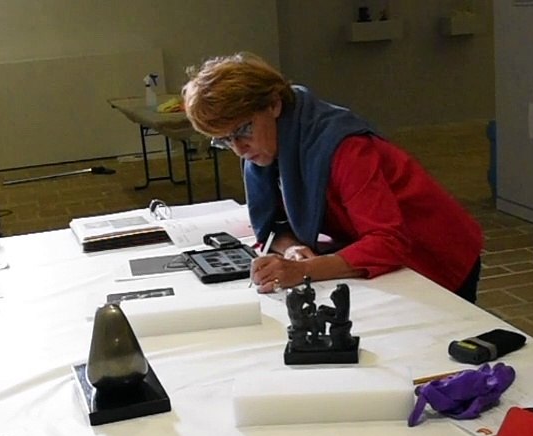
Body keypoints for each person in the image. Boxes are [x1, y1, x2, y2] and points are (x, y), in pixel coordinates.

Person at [181, 53, 484, 301]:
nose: (238, 149)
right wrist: (291, 248)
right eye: (224, 140)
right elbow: (273, 225)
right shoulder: (269, 144)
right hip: (379, 249)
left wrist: (303, 271)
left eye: (243, 130)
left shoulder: (343, 146)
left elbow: (388, 241)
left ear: (273, 104)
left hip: (434, 252)